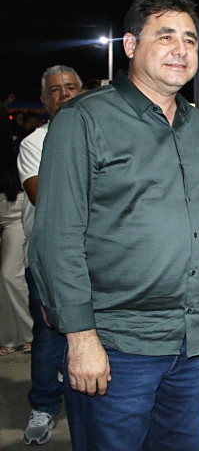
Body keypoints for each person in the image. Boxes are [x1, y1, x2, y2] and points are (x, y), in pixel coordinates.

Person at [28, 0, 199, 450]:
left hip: (190, 343)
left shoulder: (197, 127)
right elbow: (56, 239)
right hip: (117, 347)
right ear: (131, 45)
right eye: (166, 36)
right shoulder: (84, 119)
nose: (181, 49)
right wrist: (80, 338)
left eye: (190, 40)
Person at [17, 64, 83, 446]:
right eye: (56, 90)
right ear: (44, 100)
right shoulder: (34, 143)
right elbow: (41, 195)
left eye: (71, 87)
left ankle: (83, 404)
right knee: (49, 336)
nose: (65, 94)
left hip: (91, 257)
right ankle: (43, 405)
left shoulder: (97, 136)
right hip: (47, 260)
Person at [0, 121, 33, 357]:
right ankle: (8, 336)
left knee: (10, 274)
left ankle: (28, 333)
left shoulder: (18, 143)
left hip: (13, 212)